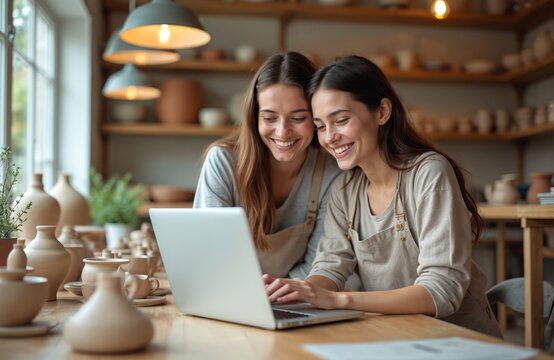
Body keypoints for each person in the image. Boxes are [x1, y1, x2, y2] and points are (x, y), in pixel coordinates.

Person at [265, 55, 502, 337]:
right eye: (320, 126)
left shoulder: (428, 173)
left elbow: (442, 290)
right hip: (396, 337)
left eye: (340, 120)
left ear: (382, 112)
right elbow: (330, 268)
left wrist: (341, 300)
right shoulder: (344, 191)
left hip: (459, 341)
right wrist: (300, 292)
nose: (329, 137)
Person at [194, 52, 343, 280]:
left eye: (298, 118)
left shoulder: (330, 173)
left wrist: (278, 295)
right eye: (270, 118)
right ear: (254, 118)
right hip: (227, 294)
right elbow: (210, 256)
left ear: (316, 118)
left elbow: (317, 267)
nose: (283, 132)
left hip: (296, 300)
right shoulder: (223, 162)